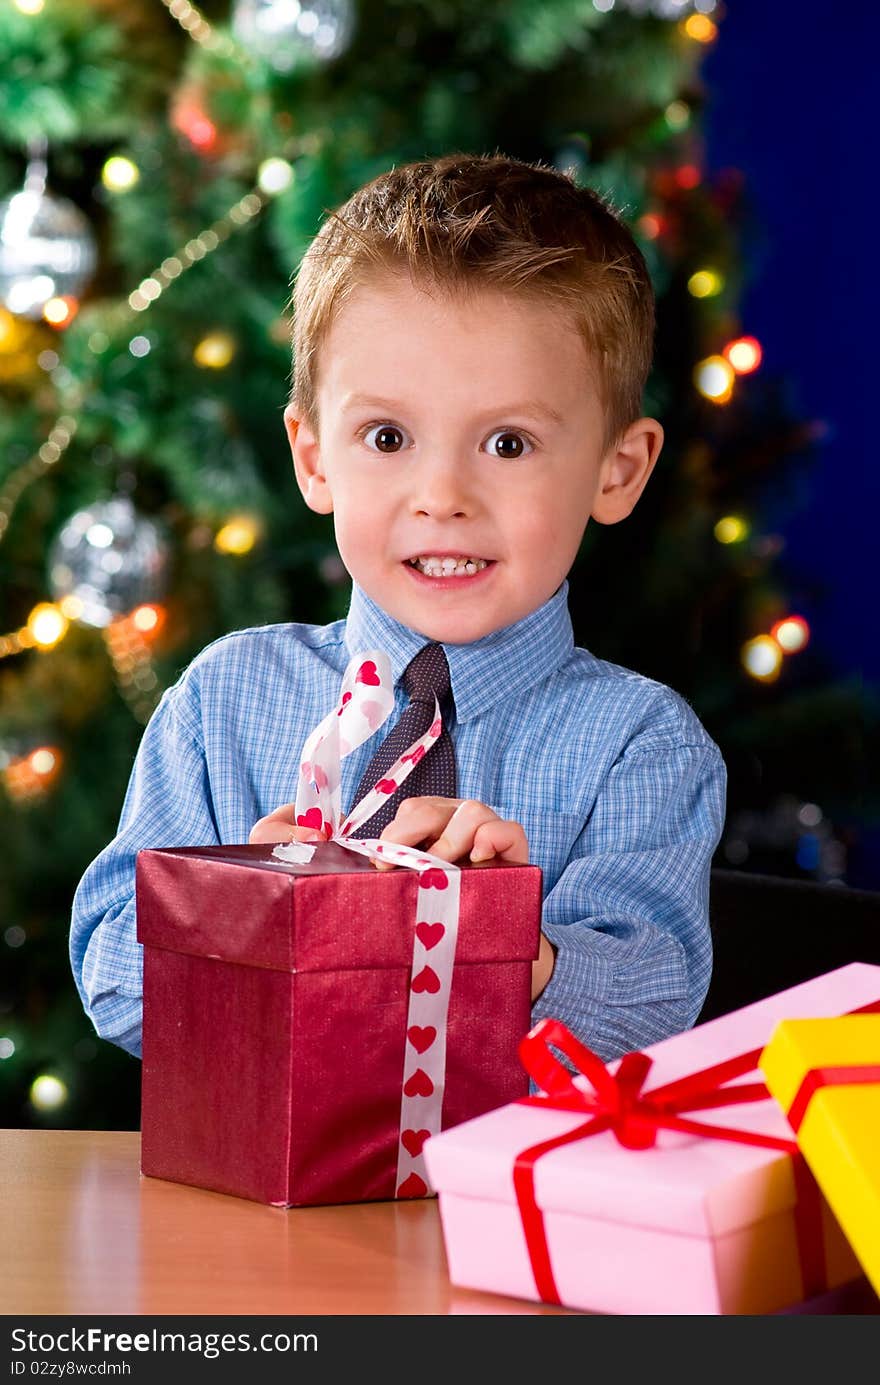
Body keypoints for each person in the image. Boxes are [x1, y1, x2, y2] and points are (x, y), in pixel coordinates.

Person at [70, 152, 726, 1063]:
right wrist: (233, 909)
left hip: (500, 1199)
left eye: (508, 441)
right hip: (257, 1203)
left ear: (618, 470)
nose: (442, 494)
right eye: (387, 437)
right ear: (313, 457)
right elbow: (111, 973)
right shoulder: (223, 702)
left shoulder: (641, 745)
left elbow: (650, 1007)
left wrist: (505, 944)